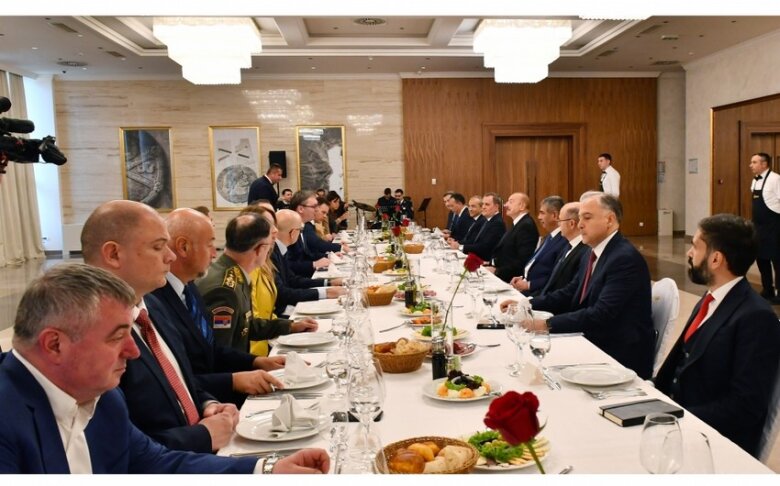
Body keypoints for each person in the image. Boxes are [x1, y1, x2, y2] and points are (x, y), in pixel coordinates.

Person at [0, 263, 329, 473]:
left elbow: (156, 462)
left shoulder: (103, 398)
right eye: (117, 337)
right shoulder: (8, 420)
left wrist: (268, 470)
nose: (132, 351)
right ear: (54, 345)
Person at [81, 200, 238, 453]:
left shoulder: (153, 305)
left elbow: (181, 379)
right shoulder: (90, 334)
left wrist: (208, 404)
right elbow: (116, 451)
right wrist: (201, 436)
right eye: (158, 247)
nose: (171, 256)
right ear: (113, 254)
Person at [656, 214, 780, 457]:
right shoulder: (711, 298)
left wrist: (676, 417)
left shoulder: (756, 317)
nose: (689, 253)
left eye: (695, 246)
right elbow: (679, 363)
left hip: (711, 443)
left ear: (715, 259)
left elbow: (746, 406)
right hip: (678, 422)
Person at [509, 193, 654, 379]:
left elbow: (601, 314)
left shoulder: (624, 258)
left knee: (536, 363)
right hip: (592, 337)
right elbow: (569, 292)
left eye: (587, 218)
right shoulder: (591, 252)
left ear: (609, 220)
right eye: (579, 219)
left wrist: (544, 324)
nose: (580, 225)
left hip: (617, 353)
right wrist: (527, 304)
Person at [150, 208, 285, 405]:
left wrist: (255, 361)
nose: (215, 254)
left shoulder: (188, 287)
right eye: (210, 245)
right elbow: (174, 379)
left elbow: (211, 349)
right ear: (183, 247)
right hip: (207, 402)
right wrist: (232, 381)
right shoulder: (155, 301)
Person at [197, 213, 318, 354]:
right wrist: (256, 363)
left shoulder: (234, 273)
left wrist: (290, 326)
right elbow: (220, 353)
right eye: (270, 245)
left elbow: (244, 326)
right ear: (260, 249)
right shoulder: (225, 291)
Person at [273, 210, 346, 317]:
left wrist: (329, 283)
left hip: (286, 306)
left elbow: (293, 280)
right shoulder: (272, 253)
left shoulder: (280, 249)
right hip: (281, 312)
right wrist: (326, 292)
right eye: (300, 230)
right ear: (293, 233)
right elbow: (282, 294)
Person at [510, 196, 568, 294]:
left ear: (554, 215)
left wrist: (529, 284)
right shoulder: (549, 237)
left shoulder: (563, 241)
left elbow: (555, 276)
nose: (539, 217)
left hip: (539, 293)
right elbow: (535, 263)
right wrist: (523, 278)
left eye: (542, 213)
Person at [537, 202, 587, 297]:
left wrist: (533, 302)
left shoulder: (584, 251)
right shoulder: (568, 245)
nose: (558, 224)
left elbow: (570, 291)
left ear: (571, 223)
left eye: (560, 220)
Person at [748, 152, 780, 301]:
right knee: (761, 259)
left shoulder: (776, 179)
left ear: (764, 164)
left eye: (754, 162)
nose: (751, 165)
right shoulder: (755, 180)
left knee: (777, 260)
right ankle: (767, 289)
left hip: (774, 226)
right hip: (759, 227)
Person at [486, 192, 537, 283]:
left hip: (511, 279)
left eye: (511, 202)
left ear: (522, 206)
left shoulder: (526, 226)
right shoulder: (518, 223)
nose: (505, 205)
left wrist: (497, 271)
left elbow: (523, 260)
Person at [449, 192, 506, 262]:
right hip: (478, 258)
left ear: (496, 207)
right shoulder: (488, 220)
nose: (483, 207)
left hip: (484, 262)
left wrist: (460, 247)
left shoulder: (497, 223)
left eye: (487, 204)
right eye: (483, 204)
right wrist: (458, 244)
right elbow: (476, 242)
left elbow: (485, 247)